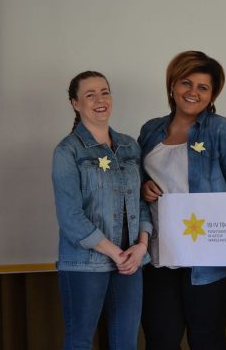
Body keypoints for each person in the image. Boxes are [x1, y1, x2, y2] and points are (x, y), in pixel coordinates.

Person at [138, 50, 226, 350]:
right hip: (159, 252)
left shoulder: (225, 131)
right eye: (186, 83)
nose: (193, 92)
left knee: (206, 338)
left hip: (211, 253)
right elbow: (137, 181)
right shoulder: (150, 130)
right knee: (160, 339)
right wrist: (143, 187)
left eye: (203, 87)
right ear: (172, 85)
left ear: (212, 94)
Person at [51, 71, 152, 350]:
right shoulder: (67, 151)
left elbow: (141, 202)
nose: (100, 99)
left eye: (104, 92)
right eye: (90, 94)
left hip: (131, 261)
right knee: (80, 341)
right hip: (86, 263)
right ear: (75, 103)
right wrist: (115, 253)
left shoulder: (130, 146)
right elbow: (70, 216)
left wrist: (141, 246)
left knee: (126, 342)